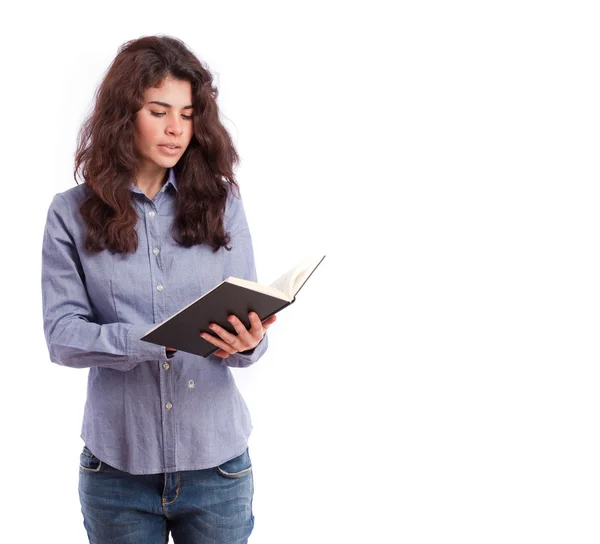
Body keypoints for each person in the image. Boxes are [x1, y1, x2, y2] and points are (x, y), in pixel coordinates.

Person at [41, 35, 276, 544]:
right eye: (158, 110)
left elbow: (246, 338)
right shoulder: (70, 213)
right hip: (117, 472)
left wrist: (249, 341)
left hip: (218, 469)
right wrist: (155, 340)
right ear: (125, 115)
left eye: (188, 114)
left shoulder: (221, 203)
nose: (175, 129)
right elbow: (62, 336)